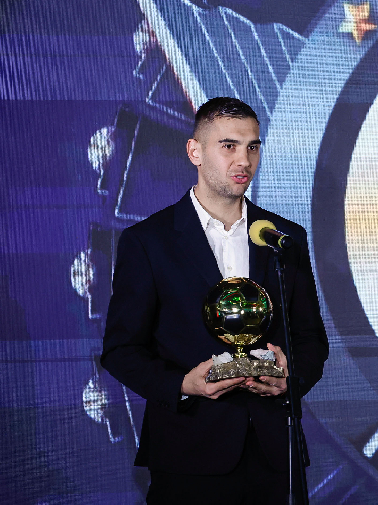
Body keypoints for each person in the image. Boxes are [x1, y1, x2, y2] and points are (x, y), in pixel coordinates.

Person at [102, 97, 329, 504]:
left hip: (276, 455)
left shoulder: (284, 238)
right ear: (195, 151)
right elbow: (121, 351)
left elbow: (311, 339)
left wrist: (289, 380)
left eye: (252, 147)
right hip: (187, 454)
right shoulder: (148, 241)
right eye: (229, 146)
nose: (244, 160)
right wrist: (183, 384)